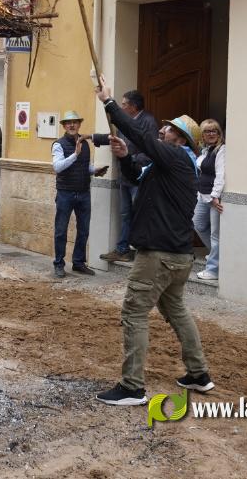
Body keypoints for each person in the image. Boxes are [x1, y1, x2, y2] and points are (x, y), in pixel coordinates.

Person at [94, 78, 213, 406]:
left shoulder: (176, 157)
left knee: (133, 312)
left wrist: (108, 103)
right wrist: (124, 157)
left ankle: (132, 387)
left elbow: (141, 135)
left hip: (158, 256)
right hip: (177, 257)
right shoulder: (171, 165)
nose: (162, 131)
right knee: (176, 310)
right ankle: (199, 374)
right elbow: (137, 178)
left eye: (169, 130)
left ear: (181, 139)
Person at [94, 90, 157, 263]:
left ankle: (143, 252)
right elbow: (114, 137)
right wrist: (93, 138)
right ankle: (123, 249)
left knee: (140, 215)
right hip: (125, 176)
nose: (122, 107)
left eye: (124, 104)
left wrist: (130, 158)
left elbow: (151, 151)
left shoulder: (148, 122)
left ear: (133, 107)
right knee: (126, 214)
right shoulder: (127, 122)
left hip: (139, 176)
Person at [50, 111, 108, 278]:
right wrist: (75, 154)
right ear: (63, 126)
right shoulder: (58, 145)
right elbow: (58, 167)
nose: (72, 125)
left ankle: (78, 263)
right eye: (68, 123)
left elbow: (86, 166)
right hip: (65, 193)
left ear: (79, 124)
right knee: (61, 230)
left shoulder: (85, 143)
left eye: (75, 122)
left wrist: (95, 170)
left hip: (83, 193)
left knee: (83, 230)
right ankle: (59, 264)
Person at [194, 119, 225, 281]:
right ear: (202, 135)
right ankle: (217, 254)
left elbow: (220, 175)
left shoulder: (221, 150)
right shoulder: (206, 150)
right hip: (203, 195)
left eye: (215, 131)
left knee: (215, 234)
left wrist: (215, 196)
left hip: (213, 197)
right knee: (198, 224)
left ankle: (213, 269)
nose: (211, 134)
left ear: (219, 134)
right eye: (207, 131)